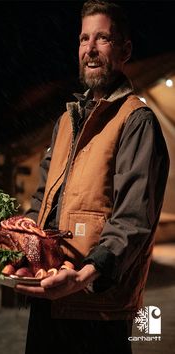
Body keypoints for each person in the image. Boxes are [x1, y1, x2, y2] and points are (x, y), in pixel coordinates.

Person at [15, 1, 169, 353]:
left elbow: (133, 220)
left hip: (95, 308)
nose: (91, 49)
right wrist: (20, 245)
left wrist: (86, 275)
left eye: (103, 38)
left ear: (125, 49)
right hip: (50, 297)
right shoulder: (65, 122)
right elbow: (41, 202)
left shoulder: (136, 121)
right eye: (84, 39)